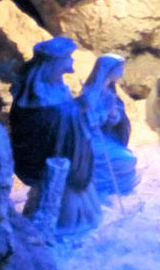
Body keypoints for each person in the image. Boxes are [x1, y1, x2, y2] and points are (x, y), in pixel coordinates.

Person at [11, 37, 100, 233]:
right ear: (54, 63)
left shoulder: (57, 85)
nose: (72, 61)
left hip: (65, 150)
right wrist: (79, 107)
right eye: (68, 57)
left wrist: (80, 111)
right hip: (48, 154)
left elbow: (65, 113)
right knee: (57, 193)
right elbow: (49, 122)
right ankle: (62, 224)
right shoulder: (37, 92)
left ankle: (77, 219)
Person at [79, 54, 139, 198]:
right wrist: (106, 113)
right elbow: (89, 121)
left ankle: (109, 185)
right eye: (119, 69)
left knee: (129, 160)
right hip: (91, 139)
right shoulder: (92, 93)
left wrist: (113, 115)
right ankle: (99, 185)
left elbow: (114, 117)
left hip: (104, 137)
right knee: (126, 160)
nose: (122, 73)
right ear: (107, 69)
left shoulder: (109, 90)